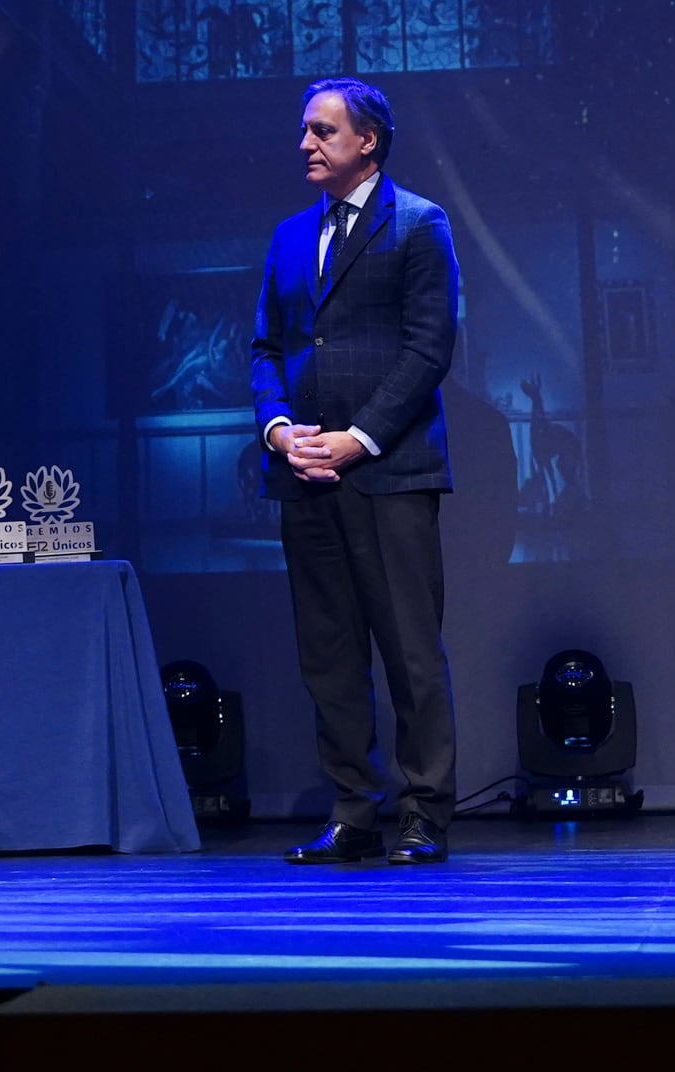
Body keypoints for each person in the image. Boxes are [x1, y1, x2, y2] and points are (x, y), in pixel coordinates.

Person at [251, 77, 461, 867]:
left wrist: (359, 438)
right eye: (305, 131)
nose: (305, 144)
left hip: (390, 472)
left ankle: (423, 813)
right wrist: (278, 430)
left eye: (321, 131)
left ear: (366, 140)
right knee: (329, 653)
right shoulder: (286, 237)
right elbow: (265, 347)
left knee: (409, 648)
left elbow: (428, 348)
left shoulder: (418, 224)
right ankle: (354, 811)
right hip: (304, 477)